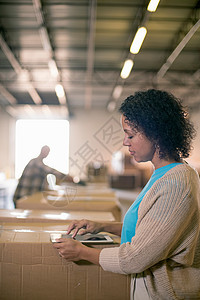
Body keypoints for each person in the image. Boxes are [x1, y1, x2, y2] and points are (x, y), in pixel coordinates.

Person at [53, 89, 200, 299]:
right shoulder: (162, 174)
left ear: (156, 134)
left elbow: (136, 258)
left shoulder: (176, 182)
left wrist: (81, 252)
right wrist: (102, 226)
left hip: (164, 292)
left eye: (130, 134)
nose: (125, 141)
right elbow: (151, 231)